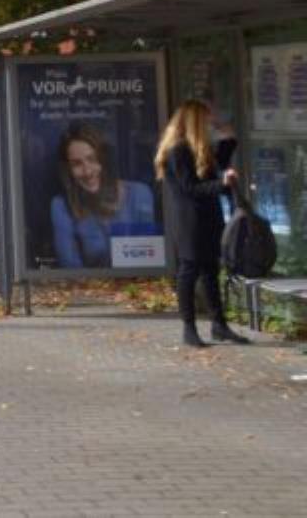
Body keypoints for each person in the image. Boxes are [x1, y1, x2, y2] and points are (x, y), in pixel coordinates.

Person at [154, 99, 250, 348]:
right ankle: (189, 328)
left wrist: (227, 137)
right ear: (195, 122)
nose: (211, 125)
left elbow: (218, 164)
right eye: (207, 120)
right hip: (190, 220)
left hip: (209, 216)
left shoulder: (198, 148)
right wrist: (222, 184)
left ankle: (219, 325)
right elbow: (191, 188)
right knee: (189, 269)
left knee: (210, 270)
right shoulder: (178, 150)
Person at [50, 123, 157, 269]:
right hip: (89, 284)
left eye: (92, 159)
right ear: (68, 170)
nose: (87, 172)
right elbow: (70, 266)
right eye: (76, 164)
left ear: (104, 159)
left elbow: (147, 259)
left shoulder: (140, 194)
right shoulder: (61, 206)